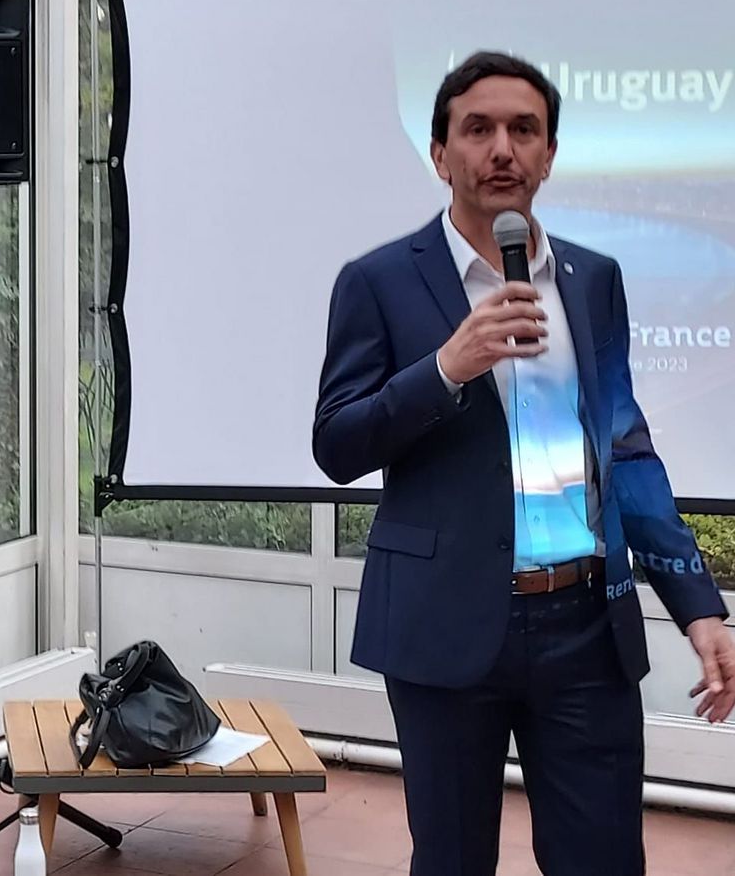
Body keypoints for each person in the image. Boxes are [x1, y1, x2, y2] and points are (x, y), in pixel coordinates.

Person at [313, 51, 735, 876]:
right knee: (452, 860)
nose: (502, 148)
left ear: (549, 155)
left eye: (524, 130)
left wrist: (697, 606)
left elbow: (625, 450)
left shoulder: (593, 279)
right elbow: (336, 443)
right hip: (445, 625)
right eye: (478, 129)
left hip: (585, 626)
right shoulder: (378, 281)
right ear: (441, 155)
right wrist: (446, 368)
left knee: (604, 860)